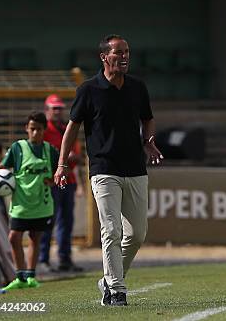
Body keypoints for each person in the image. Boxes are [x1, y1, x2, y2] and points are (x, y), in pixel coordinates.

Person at [54, 34, 163, 306]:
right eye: (118, 52)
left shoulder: (137, 88)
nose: (124, 56)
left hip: (135, 168)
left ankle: (108, 279)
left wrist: (149, 141)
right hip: (104, 169)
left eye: (127, 51)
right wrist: (61, 164)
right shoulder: (88, 90)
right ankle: (116, 290)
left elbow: (148, 119)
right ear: (104, 57)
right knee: (111, 230)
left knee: (137, 234)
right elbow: (71, 129)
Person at [0, 112, 59, 290]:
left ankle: (30, 276)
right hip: (21, 203)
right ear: (26, 128)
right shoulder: (18, 148)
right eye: (32, 129)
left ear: (44, 130)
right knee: (14, 237)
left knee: (35, 237)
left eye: (39, 129)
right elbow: (3, 165)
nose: (35, 133)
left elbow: (59, 172)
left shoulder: (50, 150)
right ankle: (20, 276)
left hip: (42, 203)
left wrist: (53, 180)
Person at [39, 94, 84, 273]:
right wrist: (62, 157)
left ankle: (65, 258)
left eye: (59, 108)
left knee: (67, 221)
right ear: (47, 110)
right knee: (48, 220)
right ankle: (43, 259)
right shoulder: (43, 130)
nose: (57, 111)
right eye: (54, 108)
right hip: (51, 181)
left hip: (69, 180)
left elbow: (78, 156)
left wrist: (79, 182)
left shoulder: (68, 128)